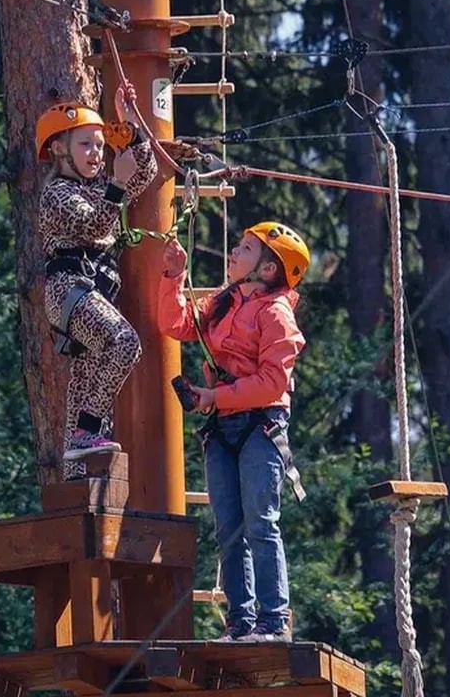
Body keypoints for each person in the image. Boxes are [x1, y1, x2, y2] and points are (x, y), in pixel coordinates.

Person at [157, 221, 310, 642]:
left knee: (260, 524)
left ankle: (273, 621)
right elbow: (176, 324)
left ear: (267, 270)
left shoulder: (276, 314)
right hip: (224, 425)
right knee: (229, 528)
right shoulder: (224, 303)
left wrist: (212, 397)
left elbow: (272, 383)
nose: (233, 253)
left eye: (244, 249)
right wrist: (174, 275)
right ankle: (240, 622)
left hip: (261, 425)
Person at [37, 83, 158, 479]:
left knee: (88, 372)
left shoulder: (94, 186)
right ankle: (87, 432)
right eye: (86, 145)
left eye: (100, 145)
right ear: (59, 149)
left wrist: (130, 122)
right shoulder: (56, 193)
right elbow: (92, 227)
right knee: (123, 343)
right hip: (70, 288)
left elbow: (148, 167)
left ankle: (77, 465)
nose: (97, 153)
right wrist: (117, 185)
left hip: (91, 291)